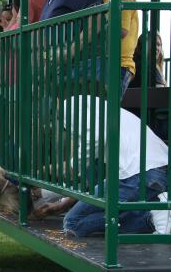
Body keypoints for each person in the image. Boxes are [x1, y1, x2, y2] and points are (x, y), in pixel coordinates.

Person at [37, 95, 170, 236]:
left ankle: (152, 216)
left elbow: (92, 139)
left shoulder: (71, 106)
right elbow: (94, 185)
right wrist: (64, 204)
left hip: (138, 173)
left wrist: (73, 167)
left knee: (72, 223)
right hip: (153, 170)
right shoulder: (100, 109)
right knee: (91, 214)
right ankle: (152, 215)